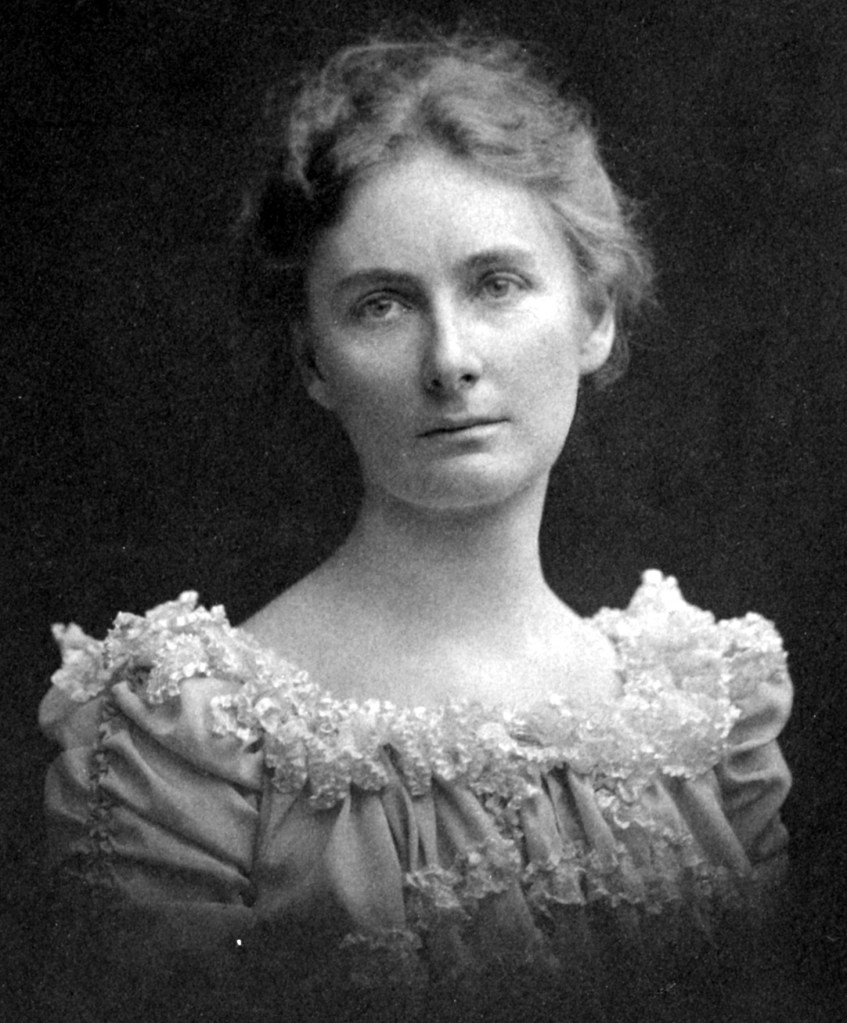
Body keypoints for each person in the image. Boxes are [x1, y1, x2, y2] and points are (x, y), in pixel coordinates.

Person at [39, 31, 793, 1023]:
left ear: (594, 315)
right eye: (382, 305)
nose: (450, 360)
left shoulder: (710, 721)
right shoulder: (185, 742)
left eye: (495, 285)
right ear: (315, 363)